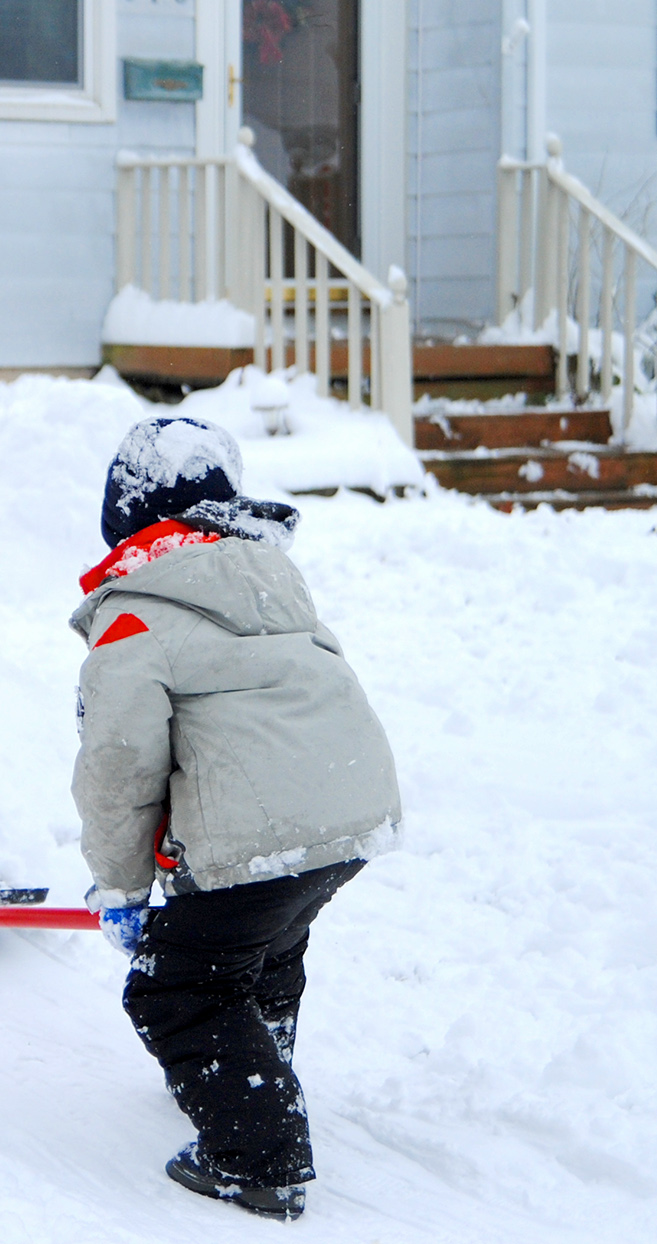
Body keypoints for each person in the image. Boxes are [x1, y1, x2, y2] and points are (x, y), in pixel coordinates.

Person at [70, 415, 402, 1220]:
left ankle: (258, 1154)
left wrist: (120, 884)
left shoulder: (134, 613)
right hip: (351, 805)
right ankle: (258, 1066)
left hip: (264, 829)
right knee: (261, 951)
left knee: (178, 989)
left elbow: (118, 764)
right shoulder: (268, 580)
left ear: (126, 518)